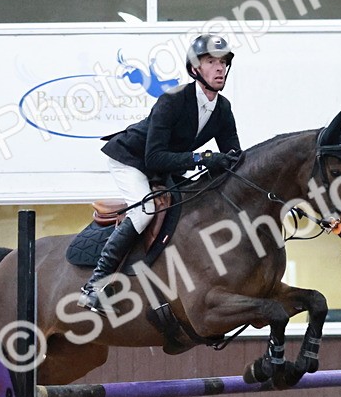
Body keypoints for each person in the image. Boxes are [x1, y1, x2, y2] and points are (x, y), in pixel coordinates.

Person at [79, 34, 242, 312]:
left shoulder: (222, 108)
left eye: (223, 63)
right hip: (132, 159)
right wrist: (200, 159)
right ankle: (94, 286)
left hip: (164, 165)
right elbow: (153, 157)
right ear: (195, 70)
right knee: (144, 211)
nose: (219, 68)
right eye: (211, 61)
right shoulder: (173, 100)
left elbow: (234, 158)